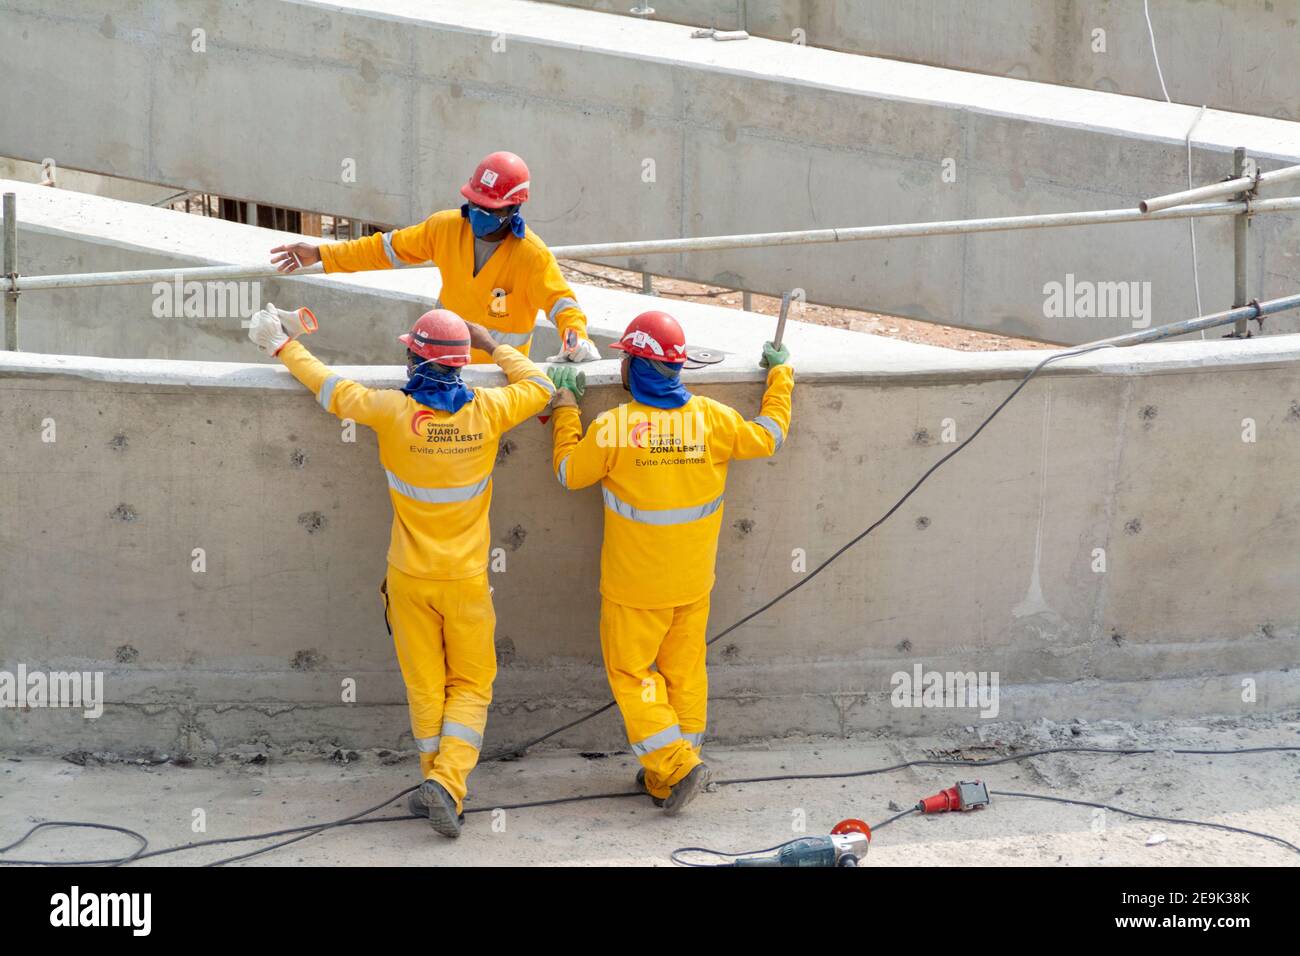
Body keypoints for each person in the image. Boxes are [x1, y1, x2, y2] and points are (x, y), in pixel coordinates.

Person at [247, 304, 555, 837]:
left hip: (409, 579)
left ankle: (436, 784)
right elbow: (542, 384)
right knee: (473, 685)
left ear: (415, 357)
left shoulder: (389, 410)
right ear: (460, 363)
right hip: (465, 582)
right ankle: (448, 783)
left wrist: (280, 345)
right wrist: (491, 342)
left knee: (426, 687)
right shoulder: (490, 409)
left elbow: (330, 388)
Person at [546, 310, 793, 815]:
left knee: (632, 674)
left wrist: (567, 405)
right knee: (685, 674)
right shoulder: (714, 420)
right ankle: (667, 777)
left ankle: (677, 765)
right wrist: (780, 375)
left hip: (634, 589)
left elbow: (570, 472)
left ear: (633, 367)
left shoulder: (616, 428)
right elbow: (769, 435)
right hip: (693, 581)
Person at [270, 151, 600, 364]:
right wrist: (322, 253)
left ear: (515, 208)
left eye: (490, 208)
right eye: (475, 203)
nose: (479, 213)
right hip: (437, 366)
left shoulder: (531, 256)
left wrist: (575, 335)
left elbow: (562, 303)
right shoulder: (446, 228)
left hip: (496, 383)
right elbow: (386, 249)